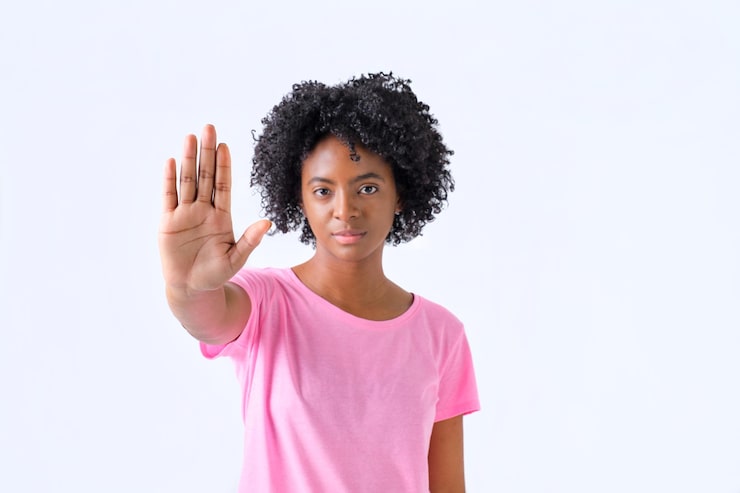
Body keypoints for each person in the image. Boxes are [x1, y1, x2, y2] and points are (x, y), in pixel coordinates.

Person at [158, 73, 480, 492]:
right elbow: (206, 316)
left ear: (400, 194)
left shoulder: (442, 335)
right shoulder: (265, 304)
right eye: (323, 191)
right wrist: (188, 286)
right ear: (300, 198)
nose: (345, 210)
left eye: (367, 187)